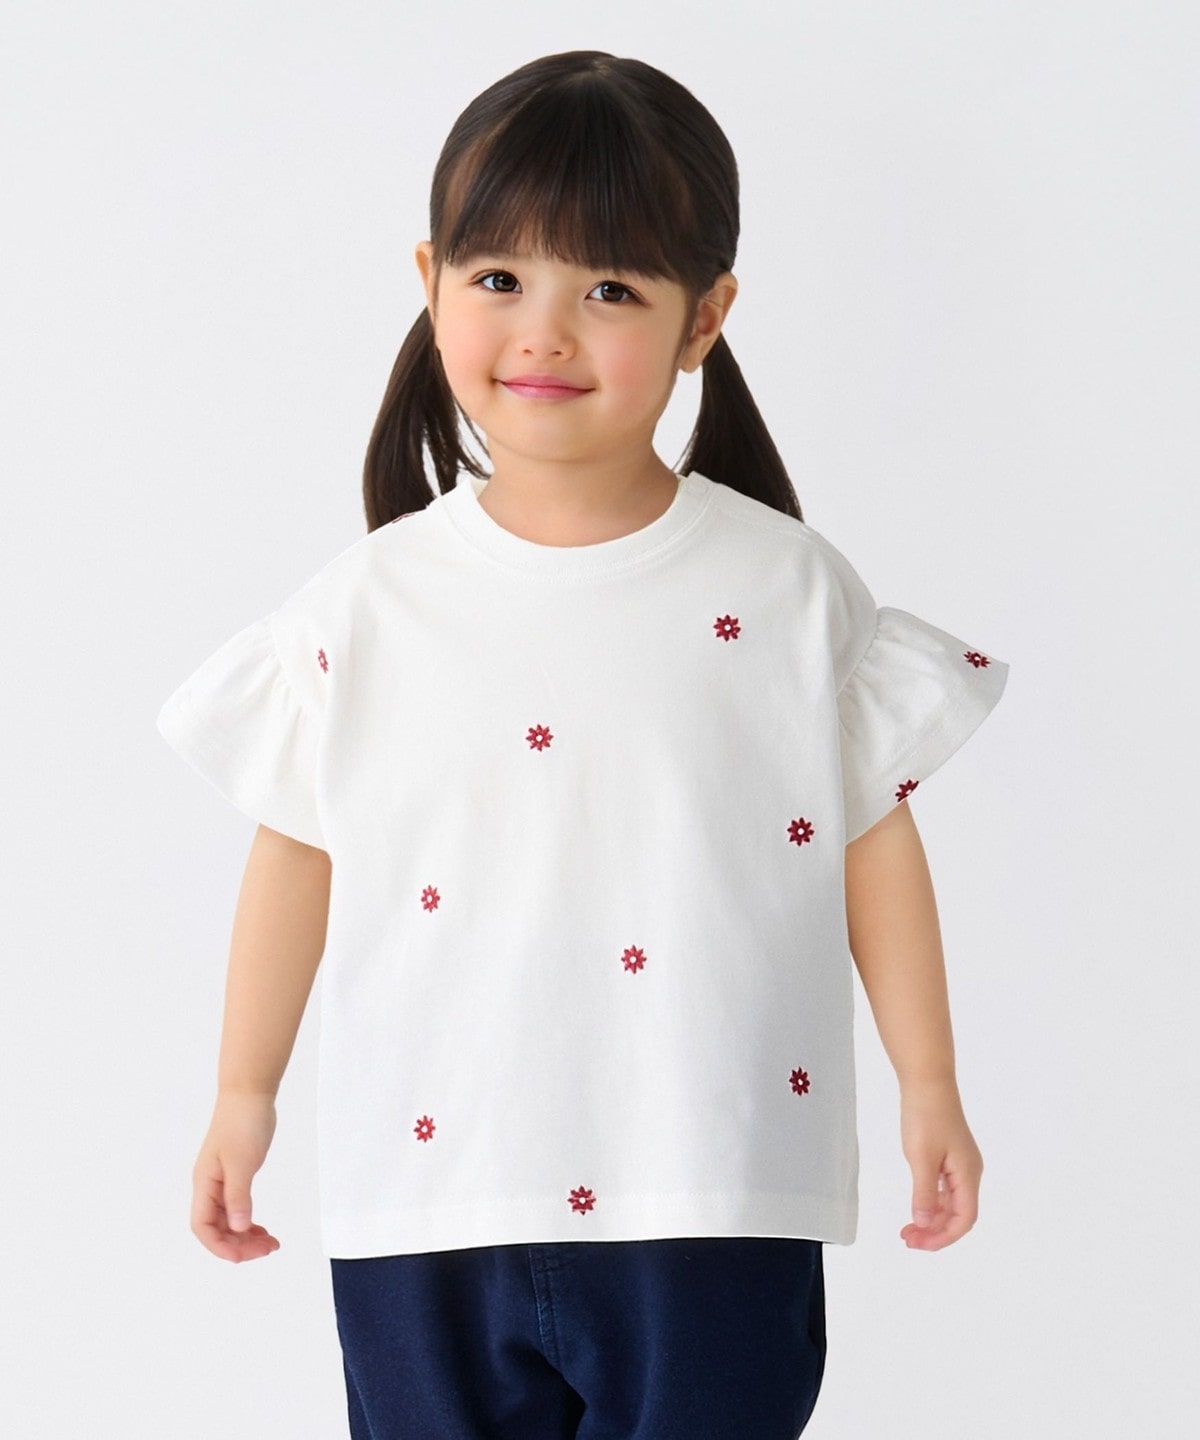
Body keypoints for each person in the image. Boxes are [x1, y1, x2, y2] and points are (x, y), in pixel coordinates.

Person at [155, 50, 1011, 1440]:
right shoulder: (362, 610)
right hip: (431, 1198)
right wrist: (242, 1094)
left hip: (709, 1182)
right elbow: (300, 854)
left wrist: (931, 1085)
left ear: (703, 317)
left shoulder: (788, 591)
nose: (544, 331)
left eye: (609, 289)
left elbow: (871, 844)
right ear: (430, 279)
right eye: (500, 278)